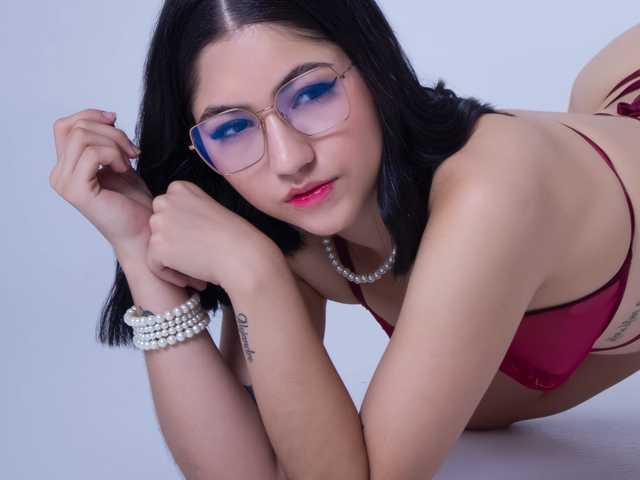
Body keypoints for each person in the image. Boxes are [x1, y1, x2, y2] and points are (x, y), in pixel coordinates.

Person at [49, 1, 640, 478]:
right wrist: (138, 249)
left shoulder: (491, 193)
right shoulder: (285, 224)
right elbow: (249, 469)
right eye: (231, 128)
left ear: (374, 68)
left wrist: (256, 275)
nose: (289, 160)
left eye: (310, 94)